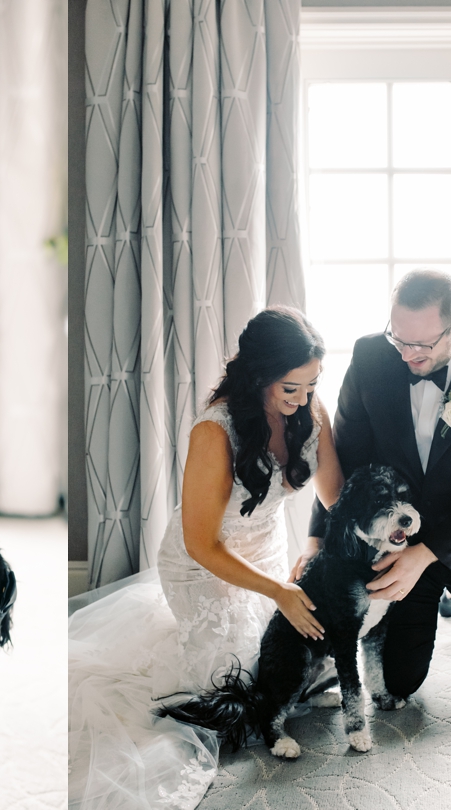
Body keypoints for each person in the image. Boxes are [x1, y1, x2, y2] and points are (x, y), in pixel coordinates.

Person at [69, 307, 344, 810]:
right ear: (259, 375)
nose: (303, 398)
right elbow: (201, 543)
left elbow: (334, 498)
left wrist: (320, 549)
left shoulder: (308, 408)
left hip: (266, 546)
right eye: (291, 389)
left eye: (312, 385)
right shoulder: (214, 430)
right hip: (203, 564)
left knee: (292, 661)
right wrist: (278, 591)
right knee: (235, 688)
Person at [302, 269, 451, 704]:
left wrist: (428, 555)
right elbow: (344, 457)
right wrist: (319, 538)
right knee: (395, 687)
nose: (407, 355)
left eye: (422, 345)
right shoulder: (372, 357)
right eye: (399, 338)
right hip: (395, 543)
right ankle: (430, 607)